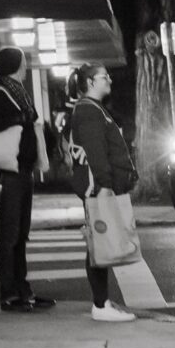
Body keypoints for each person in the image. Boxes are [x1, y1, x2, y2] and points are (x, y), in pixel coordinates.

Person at [0, 46, 55, 312]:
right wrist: (22, 118)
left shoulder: (16, 89)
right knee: (10, 234)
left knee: (20, 233)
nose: (26, 65)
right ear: (14, 64)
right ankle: (9, 293)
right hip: (8, 172)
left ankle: (23, 290)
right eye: (23, 61)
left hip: (22, 170)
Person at [64, 64, 138, 322]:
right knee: (99, 244)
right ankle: (100, 304)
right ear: (90, 82)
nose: (109, 80)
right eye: (104, 77)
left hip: (100, 187)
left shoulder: (92, 109)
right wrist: (105, 185)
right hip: (98, 188)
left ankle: (102, 301)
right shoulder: (88, 110)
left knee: (101, 243)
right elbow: (96, 150)